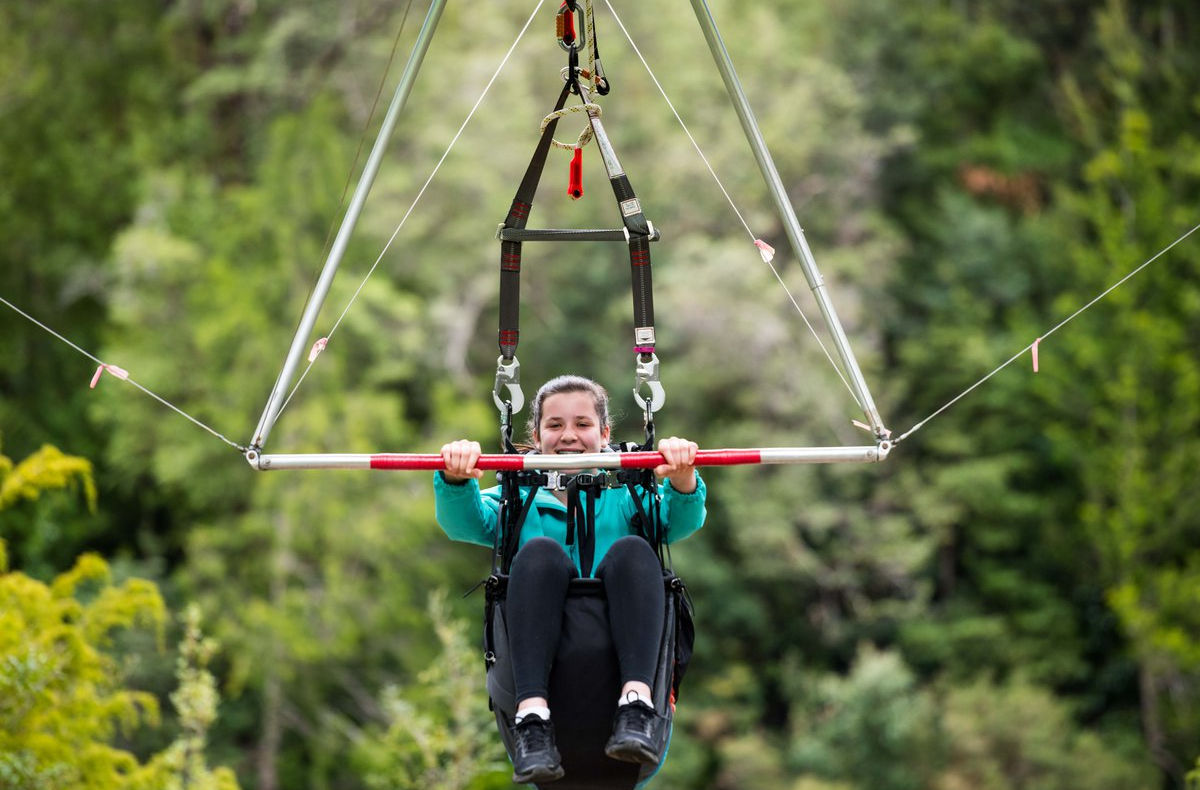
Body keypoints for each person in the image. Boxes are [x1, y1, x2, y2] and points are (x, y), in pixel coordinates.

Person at [435, 374, 706, 785]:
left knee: (634, 551)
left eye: (582, 424)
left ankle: (637, 703)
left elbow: (679, 520)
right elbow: (463, 522)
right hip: (540, 665)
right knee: (540, 555)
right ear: (537, 434)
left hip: (621, 657)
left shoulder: (629, 495)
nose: (569, 437)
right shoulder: (516, 499)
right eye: (555, 425)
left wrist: (683, 476)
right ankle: (532, 716)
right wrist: (456, 477)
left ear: (604, 433)